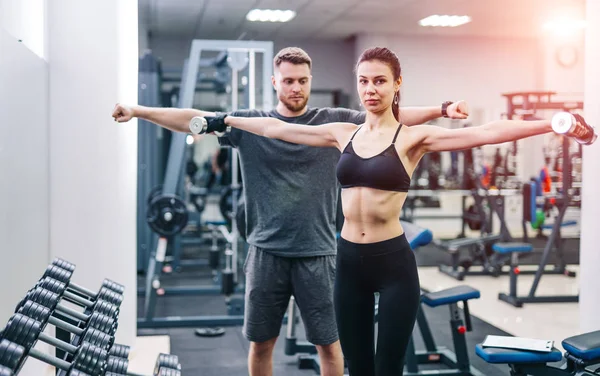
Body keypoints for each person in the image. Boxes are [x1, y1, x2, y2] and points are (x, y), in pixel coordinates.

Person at [198, 46, 569, 376]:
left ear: (396, 85)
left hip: (392, 264)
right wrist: (227, 120)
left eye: (379, 81)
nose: (370, 90)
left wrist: (553, 124)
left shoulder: (413, 137)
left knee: (387, 367)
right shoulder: (342, 132)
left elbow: (488, 132)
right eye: (363, 81)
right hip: (347, 261)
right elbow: (274, 128)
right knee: (358, 366)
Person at [112, 46, 469, 376]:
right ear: (275, 82)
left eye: (301, 81)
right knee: (262, 344)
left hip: (319, 252)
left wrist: (442, 109)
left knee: (330, 345)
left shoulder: (336, 120)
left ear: (310, 81)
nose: (295, 88)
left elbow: (391, 114)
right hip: (266, 252)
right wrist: (139, 111)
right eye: (288, 81)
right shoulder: (250, 124)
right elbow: (196, 119)